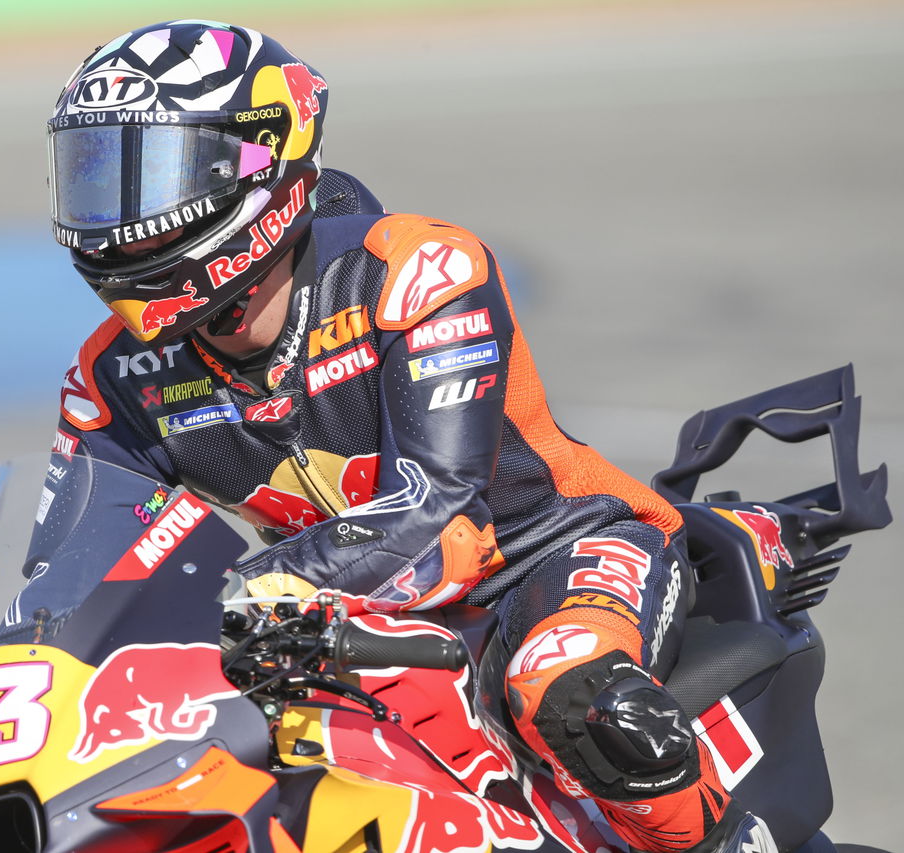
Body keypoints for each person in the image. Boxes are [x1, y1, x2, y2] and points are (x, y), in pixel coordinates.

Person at [43, 20, 772, 853]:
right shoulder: (111, 378)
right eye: (95, 176)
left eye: (151, 176)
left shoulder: (417, 270)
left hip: (549, 553)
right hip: (324, 616)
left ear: (260, 162)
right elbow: (73, 579)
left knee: (568, 684)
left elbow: (440, 510)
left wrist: (248, 592)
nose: (117, 222)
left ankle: (729, 841)